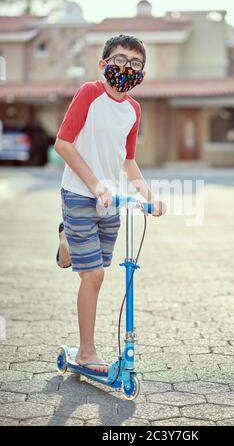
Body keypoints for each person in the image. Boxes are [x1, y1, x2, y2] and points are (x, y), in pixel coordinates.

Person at [54, 34, 167, 374]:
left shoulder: (134, 109)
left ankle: (66, 241)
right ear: (103, 64)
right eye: (118, 60)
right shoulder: (90, 93)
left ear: (142, 72)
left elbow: (128, 162)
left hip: (111, 201)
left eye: (134, 63)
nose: (125, 68)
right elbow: (63, 143)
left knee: (93, 270)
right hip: (79, 193)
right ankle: (86, 352)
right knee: (95, 276)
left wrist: (150, 197)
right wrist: (94, 185)